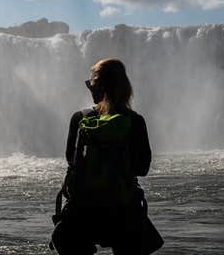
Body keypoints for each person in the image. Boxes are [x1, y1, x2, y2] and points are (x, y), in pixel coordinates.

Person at [51, 57, 156, 255]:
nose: (89, 89)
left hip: (83, 211)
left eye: (90, 84)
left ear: (99, 86)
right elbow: (142, 168)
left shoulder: (80, 118)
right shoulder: (135, 121)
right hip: (123, 210)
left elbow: (71, 161)